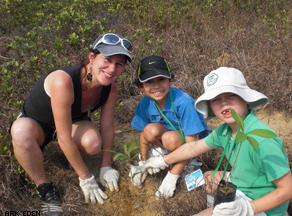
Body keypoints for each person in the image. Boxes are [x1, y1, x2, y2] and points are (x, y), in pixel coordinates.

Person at [9, 33, 132, 215]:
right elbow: (64, 138)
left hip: (71, 122)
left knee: (93, 143)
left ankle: (70, 158)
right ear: (91, 56)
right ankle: (44, 187)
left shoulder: (110, 88)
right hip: (38, 124)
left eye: (119, 64)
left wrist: (106, 166)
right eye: (107, 59)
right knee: (20, 132)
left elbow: (106, 129)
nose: (112, 68)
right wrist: (86, 178)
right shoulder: (63, 80)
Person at [143, 67, 292, 215]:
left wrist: (249, 208)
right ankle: (218, 208)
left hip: (264, 206)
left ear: (245, 98)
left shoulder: (262, 140)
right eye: (216, 99)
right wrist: (163, 161)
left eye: (231, 95)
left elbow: (288, 189)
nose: (223, 103)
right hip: (244, 187)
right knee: (209, 177)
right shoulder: (225, 131)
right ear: (211, 107)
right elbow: (193, 148)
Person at [129, 55, 211, 199]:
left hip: (194, 141)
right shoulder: (145, 103)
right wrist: (142, 162)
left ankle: (187, 164)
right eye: (149, 82)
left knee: (169, 139)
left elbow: (192, 144)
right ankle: (166, 154)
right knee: (149, 130)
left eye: (161, 79)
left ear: (170, 79)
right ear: (140, 86)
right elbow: (144, 134)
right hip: (173, 137)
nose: (156, 86)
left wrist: (172, 176)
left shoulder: (183, 102)